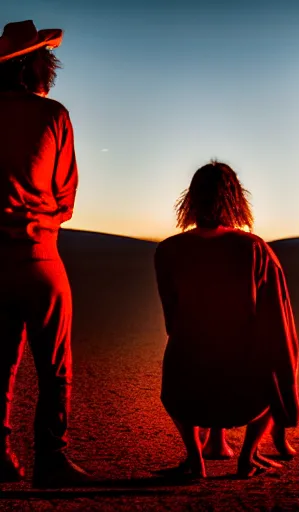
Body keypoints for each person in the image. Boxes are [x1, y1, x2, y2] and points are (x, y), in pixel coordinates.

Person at [154, 162, 299, 479]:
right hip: (244, 386)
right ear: (235, 200)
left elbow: (172, 318)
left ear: (190, 200)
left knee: (178, 359)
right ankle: (247, 456)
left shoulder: (168, 250)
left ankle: (195, 459)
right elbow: (277, 320)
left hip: (189, 382)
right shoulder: (255, 249)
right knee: (273, 367)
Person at [0, 20, 91, 487]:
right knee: (54, 366)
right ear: (34, 64)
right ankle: (50, 459)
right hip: (40, 256)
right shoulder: (54, 115)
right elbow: (66, 199)